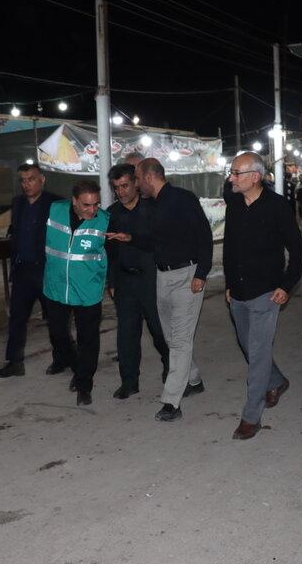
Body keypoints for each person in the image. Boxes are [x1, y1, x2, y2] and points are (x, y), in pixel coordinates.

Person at [223, 152, 302, 440]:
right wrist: (229, 284)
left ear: (255, 177)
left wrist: (287, 285)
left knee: (258, 355)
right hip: (239, 291)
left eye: (236, 173)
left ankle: (251, 417)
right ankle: (277, 381)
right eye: (231, 172)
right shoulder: (234, 204)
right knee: (248, 345)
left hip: (267, 292)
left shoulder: (277, 206)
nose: (231, 178)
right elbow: (230, 248)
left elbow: (297, 249)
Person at [135, 157, 213, 422]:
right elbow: (155, 241)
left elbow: (204, 236)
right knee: (171, 337)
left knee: (179, 340)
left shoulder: (183, 199)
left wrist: (201, 274)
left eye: (138, 179)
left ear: (149, 177)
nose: (137, 184)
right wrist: (130, 238)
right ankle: (194, 380)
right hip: (163, 276)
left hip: (187, 277)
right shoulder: (153, 205)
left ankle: (171, 402)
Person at [104, 160, 169, 399]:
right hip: (124, 282)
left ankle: (171, 368)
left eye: (124, 186)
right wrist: (112, 282)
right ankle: (129, 382)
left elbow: (162, 243)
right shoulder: (112, 213)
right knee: (126, 335)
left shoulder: (153, 208)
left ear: (136, 183)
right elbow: (110, 252)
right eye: (116, 188)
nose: (121, 192)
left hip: (152, 280)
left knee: (159, 331)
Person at [42, 180, 110, 406]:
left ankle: (84, 386)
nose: (92, 210)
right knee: (57, 335)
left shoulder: (105, 220)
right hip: (56, 287)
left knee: (87, 340)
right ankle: (77, 367)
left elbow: (114, 253)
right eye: (86, 205)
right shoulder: (54, 210)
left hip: (88, 290)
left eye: (96, 204)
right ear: (74, 201)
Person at [0, 164, 63, 378]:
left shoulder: (56, 203)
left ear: (42, 179)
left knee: (56, 319)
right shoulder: (18, 203)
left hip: (46, 270)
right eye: (23, 180)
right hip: (23, 269)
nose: (26, 184)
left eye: (31, 179)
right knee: (17, 318)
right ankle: (15, 363)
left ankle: (62, 358)